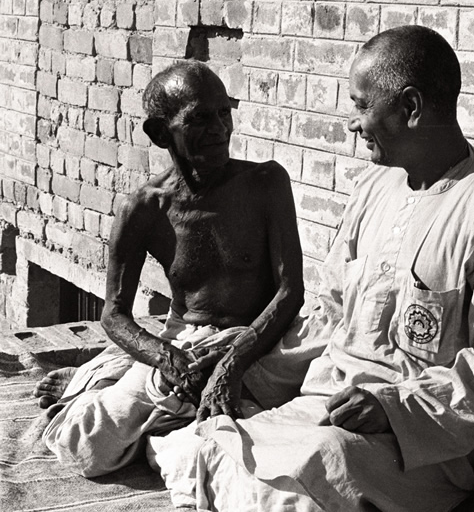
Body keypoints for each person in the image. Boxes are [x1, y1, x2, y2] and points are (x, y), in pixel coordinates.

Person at [158, 25, 474, 511]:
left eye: (360, 106)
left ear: (411, 107)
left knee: (306, 470)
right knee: (199, 444)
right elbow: (331, 315)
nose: (352, 124)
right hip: (328, 402)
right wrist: (244, 369)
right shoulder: (373, 186)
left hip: (424, 440)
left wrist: (393, 407)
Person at [34, 60, 311, 478]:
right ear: (161, 133)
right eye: (199, 118)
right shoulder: (143, 208)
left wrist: (231, 364)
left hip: (261, 339)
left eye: (224, 113)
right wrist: (167, 359)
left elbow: (290, 291)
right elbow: (113, 314)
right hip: (185, 342)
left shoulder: (266, 183)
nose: (220, 129)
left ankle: (138, 403)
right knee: (86, 445)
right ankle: (117, 390)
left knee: (267, 440)